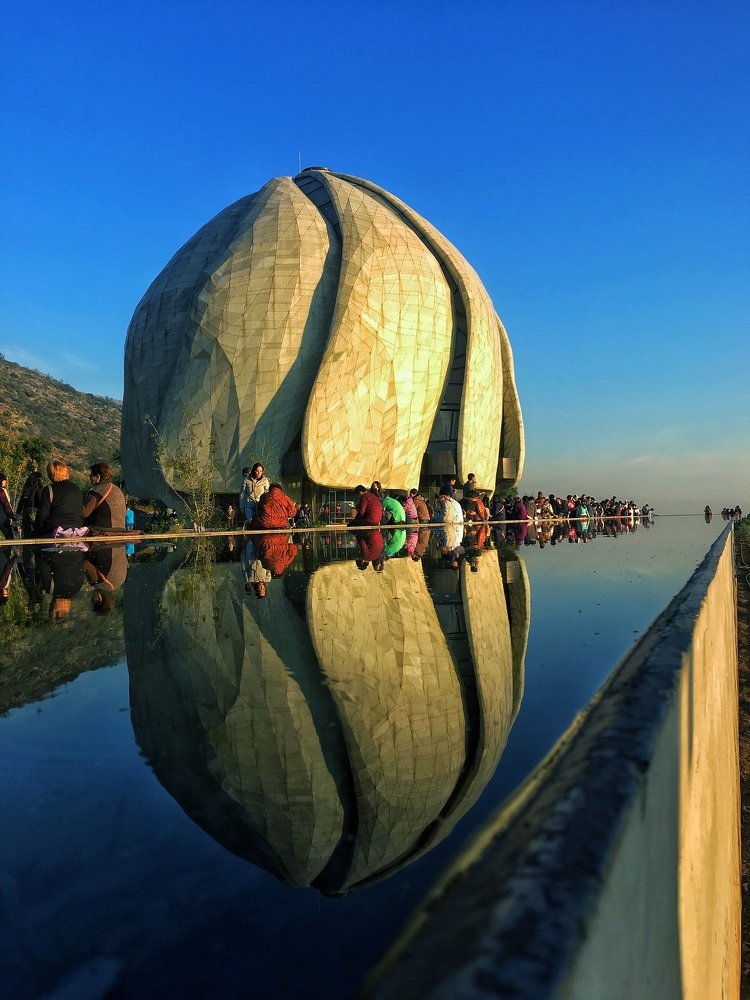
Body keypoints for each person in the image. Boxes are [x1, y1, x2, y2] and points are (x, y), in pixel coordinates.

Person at [35, 461, 84, 538]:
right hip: (76, 529)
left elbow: (42, 515)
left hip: (54, 530)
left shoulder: (49, 489)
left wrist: (36, 528)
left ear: (51, 473)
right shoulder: (76, 489)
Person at [82, 463, 126, 534]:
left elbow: (85, 513)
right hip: (120, 528)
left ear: (98, 477)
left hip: (102, 529)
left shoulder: (97, 490)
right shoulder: (117, 489)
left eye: (91, 475)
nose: (90, 478)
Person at [16, 470, 45, 538]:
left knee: (27, 534)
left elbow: (20, 503)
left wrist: (17, 513)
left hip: (25, 514)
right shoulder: (39, 489)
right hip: (35, 513)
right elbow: (41, 502)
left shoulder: (26, 489)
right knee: (35, 534)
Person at [239, 463, 270, 527]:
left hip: (260, 505)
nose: (259, 473)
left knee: (260, 523)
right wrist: (241, 506)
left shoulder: (265, 480)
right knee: (251, 522)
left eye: (260, 471)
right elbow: (242, 493)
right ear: (253, 470)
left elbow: (267, 494)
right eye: (257, 471)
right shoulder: (246, 480)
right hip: (249, 504)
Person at [0, 472, 17, 541]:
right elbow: (6, 505)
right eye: (5, 480)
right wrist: (12, 516)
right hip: (2, 518)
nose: (7, 482)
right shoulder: (2, 491)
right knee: (10, 539)